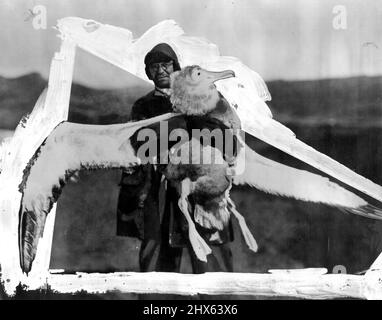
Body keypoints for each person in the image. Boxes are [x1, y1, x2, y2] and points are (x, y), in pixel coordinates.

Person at [116, 43, 234, 273]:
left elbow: (224, 132)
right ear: (148, 72)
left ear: (176, 68)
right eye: (154, 66)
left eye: (166, 64)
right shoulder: (143, 106)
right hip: (160, 187)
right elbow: (136, 142)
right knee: (158, 252)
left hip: (202, 183)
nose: (160, 70)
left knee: (209, 252)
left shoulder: (202, 96)